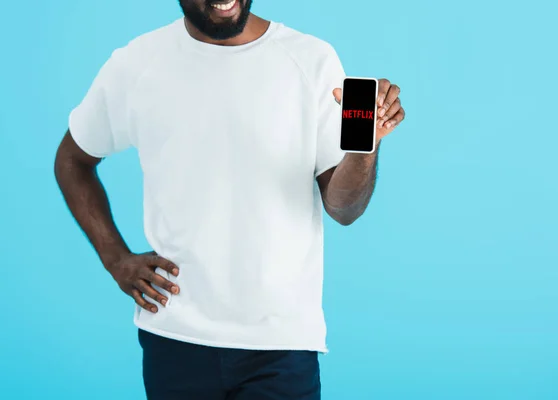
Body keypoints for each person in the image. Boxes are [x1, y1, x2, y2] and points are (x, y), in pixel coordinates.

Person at [54, 0, 405, 398]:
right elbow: (72, 159)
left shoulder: (311, 60)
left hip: (280, 345)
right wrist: (115, 259)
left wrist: (364, 151)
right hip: (174, 336)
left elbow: (344, 208)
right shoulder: (138, 63)